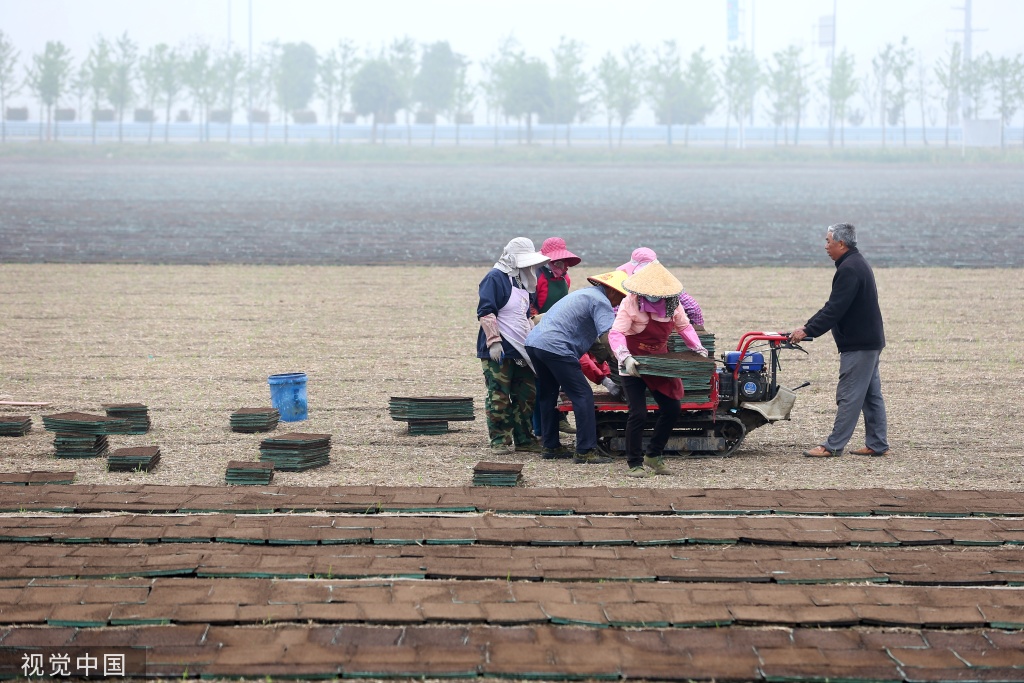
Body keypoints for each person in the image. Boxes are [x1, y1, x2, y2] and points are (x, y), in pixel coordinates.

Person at [790, 223, 889, 458]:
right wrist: (807, 327)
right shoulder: (855, 263)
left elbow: (835, 309)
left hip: (859, 345)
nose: (825, 246)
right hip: (869, 342)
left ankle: (833, 446)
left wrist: (807, 331)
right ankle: (877, 444)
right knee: (870, 396)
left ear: (841, 244)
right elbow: (833, 307)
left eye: (828, 241)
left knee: (849, 395)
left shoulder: (850, 269)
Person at [610, 260, 709, 478]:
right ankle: (634, 463)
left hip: (660, 362)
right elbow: (616, 333)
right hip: (633, 363)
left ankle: (653, 455)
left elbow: (684, 326)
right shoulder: (630, 303)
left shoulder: (673, 304)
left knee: (672, 408)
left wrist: (697, 347)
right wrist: (625, 358)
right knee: (638, 413)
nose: (654, 298)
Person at [525, 270, 628, 464]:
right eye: (621, 297)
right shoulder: (602, 302)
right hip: (556, 347)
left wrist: (607, 358)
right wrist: (622, 359)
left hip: (535, 344)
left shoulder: (583, 294)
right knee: (582, 395)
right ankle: (585, 450)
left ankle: (550, 446)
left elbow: (593, 341)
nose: (620, 302)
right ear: (613, 291)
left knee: (548, 394)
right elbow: (608, 337)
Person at [477, 237, 549, 454]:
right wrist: (494, 341)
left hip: (521, 348)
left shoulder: (523, 281)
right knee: (499, 396)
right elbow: (486, 312)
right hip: (499, 351)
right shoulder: (495, 278)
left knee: (526, 396)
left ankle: (525, 439)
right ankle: (500, 440)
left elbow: (525, 316)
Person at [530, 237, 582, 436]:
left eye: (563, 262)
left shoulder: (565, 279)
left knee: (559, 380)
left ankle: (559, 420)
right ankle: (539, 428)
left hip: (560, 333)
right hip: (538, 331)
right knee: (539, 384)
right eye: (557, 262)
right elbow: (530, 305)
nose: (562, 265)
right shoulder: (537, 276)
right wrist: (537, 320)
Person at [618, 247, 705, 331]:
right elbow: (693, 308)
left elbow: (616, 312)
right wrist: (697, 329)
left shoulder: (629, 285)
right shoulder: (668, 284)